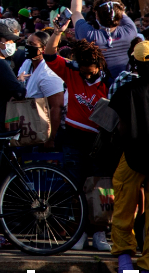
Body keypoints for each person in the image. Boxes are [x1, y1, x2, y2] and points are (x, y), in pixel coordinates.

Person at [44, 20, 112, 252]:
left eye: (89, 71)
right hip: (73, 138)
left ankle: (100, 232)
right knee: (74, 186)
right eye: (82, 70)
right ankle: (79, 231)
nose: (85, 74)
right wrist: (58, 31)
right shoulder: (72, 70)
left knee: (101, 187)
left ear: (98, 65)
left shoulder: (109, 80)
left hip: (99, 141)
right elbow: (50, 54)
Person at [109, 41, 149, 272]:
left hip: (132, 156)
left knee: (123, 207)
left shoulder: (125, 91)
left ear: (136, 63)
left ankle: (124, 258)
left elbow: (118, 127)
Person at [69, 0, 137, 81]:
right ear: (119, 14)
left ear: (96, 16)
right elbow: (116, 6)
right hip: (126, 86)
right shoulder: (130, 30)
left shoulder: (89, 35)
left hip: (100, 89)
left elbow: (76, 12)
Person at [16, 31, 64, 146]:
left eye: (32, 44)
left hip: (43, 129)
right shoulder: (27, 63)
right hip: (29, 125)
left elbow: (56, 107)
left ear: (43, 49)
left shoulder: (48, 73)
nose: (28, 47)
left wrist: (51, 138)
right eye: (27, 43)